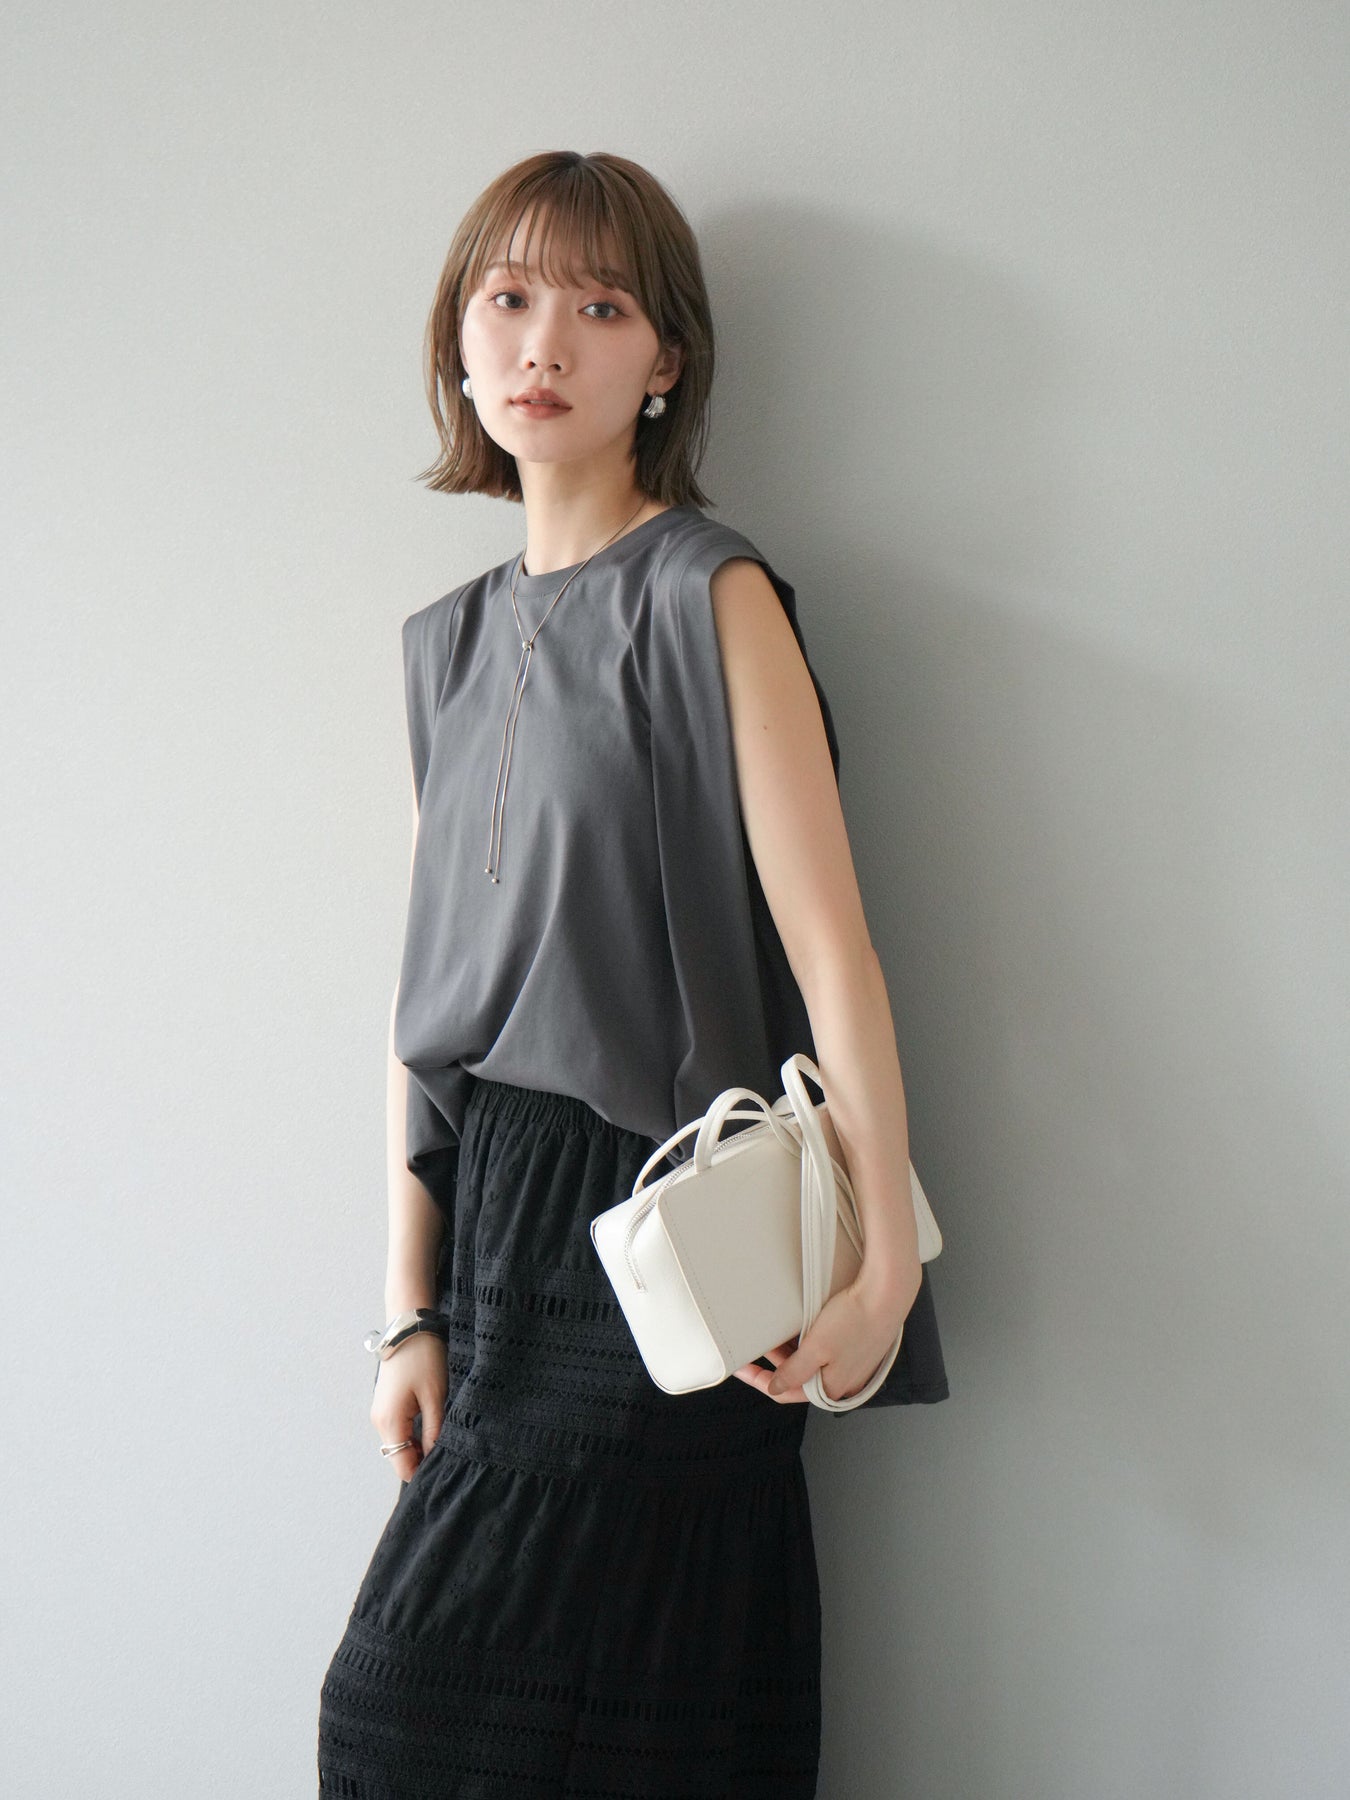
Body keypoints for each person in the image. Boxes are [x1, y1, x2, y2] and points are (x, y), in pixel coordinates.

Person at [316, 149, 949, 1798]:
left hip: (665, 1211)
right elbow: (423, 1012)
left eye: (600, 309)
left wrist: (882, 1271)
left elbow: (832, 948)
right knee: (459, 1726)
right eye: (509, 299)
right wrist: (407, 1310)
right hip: (492, 1215)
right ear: (459, 342)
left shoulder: (708, 592)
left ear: (664, 359)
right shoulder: (442, 645)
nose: (545, 343)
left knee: (497, 1716)